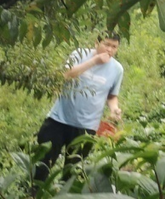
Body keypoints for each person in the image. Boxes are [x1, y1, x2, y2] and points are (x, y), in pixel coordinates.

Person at [34, 32, 124, 182]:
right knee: (43, 162)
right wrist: (94, 61)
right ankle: (32, 197)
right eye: (106, 44)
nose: (109, 49)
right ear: (97, 43)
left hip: (86, 127)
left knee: (72, 171)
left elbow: (112, 95)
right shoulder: (79, 54)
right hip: (58, 120)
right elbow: (66, 74)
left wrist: (114, 109)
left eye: (114, 47)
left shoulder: (117, 69)